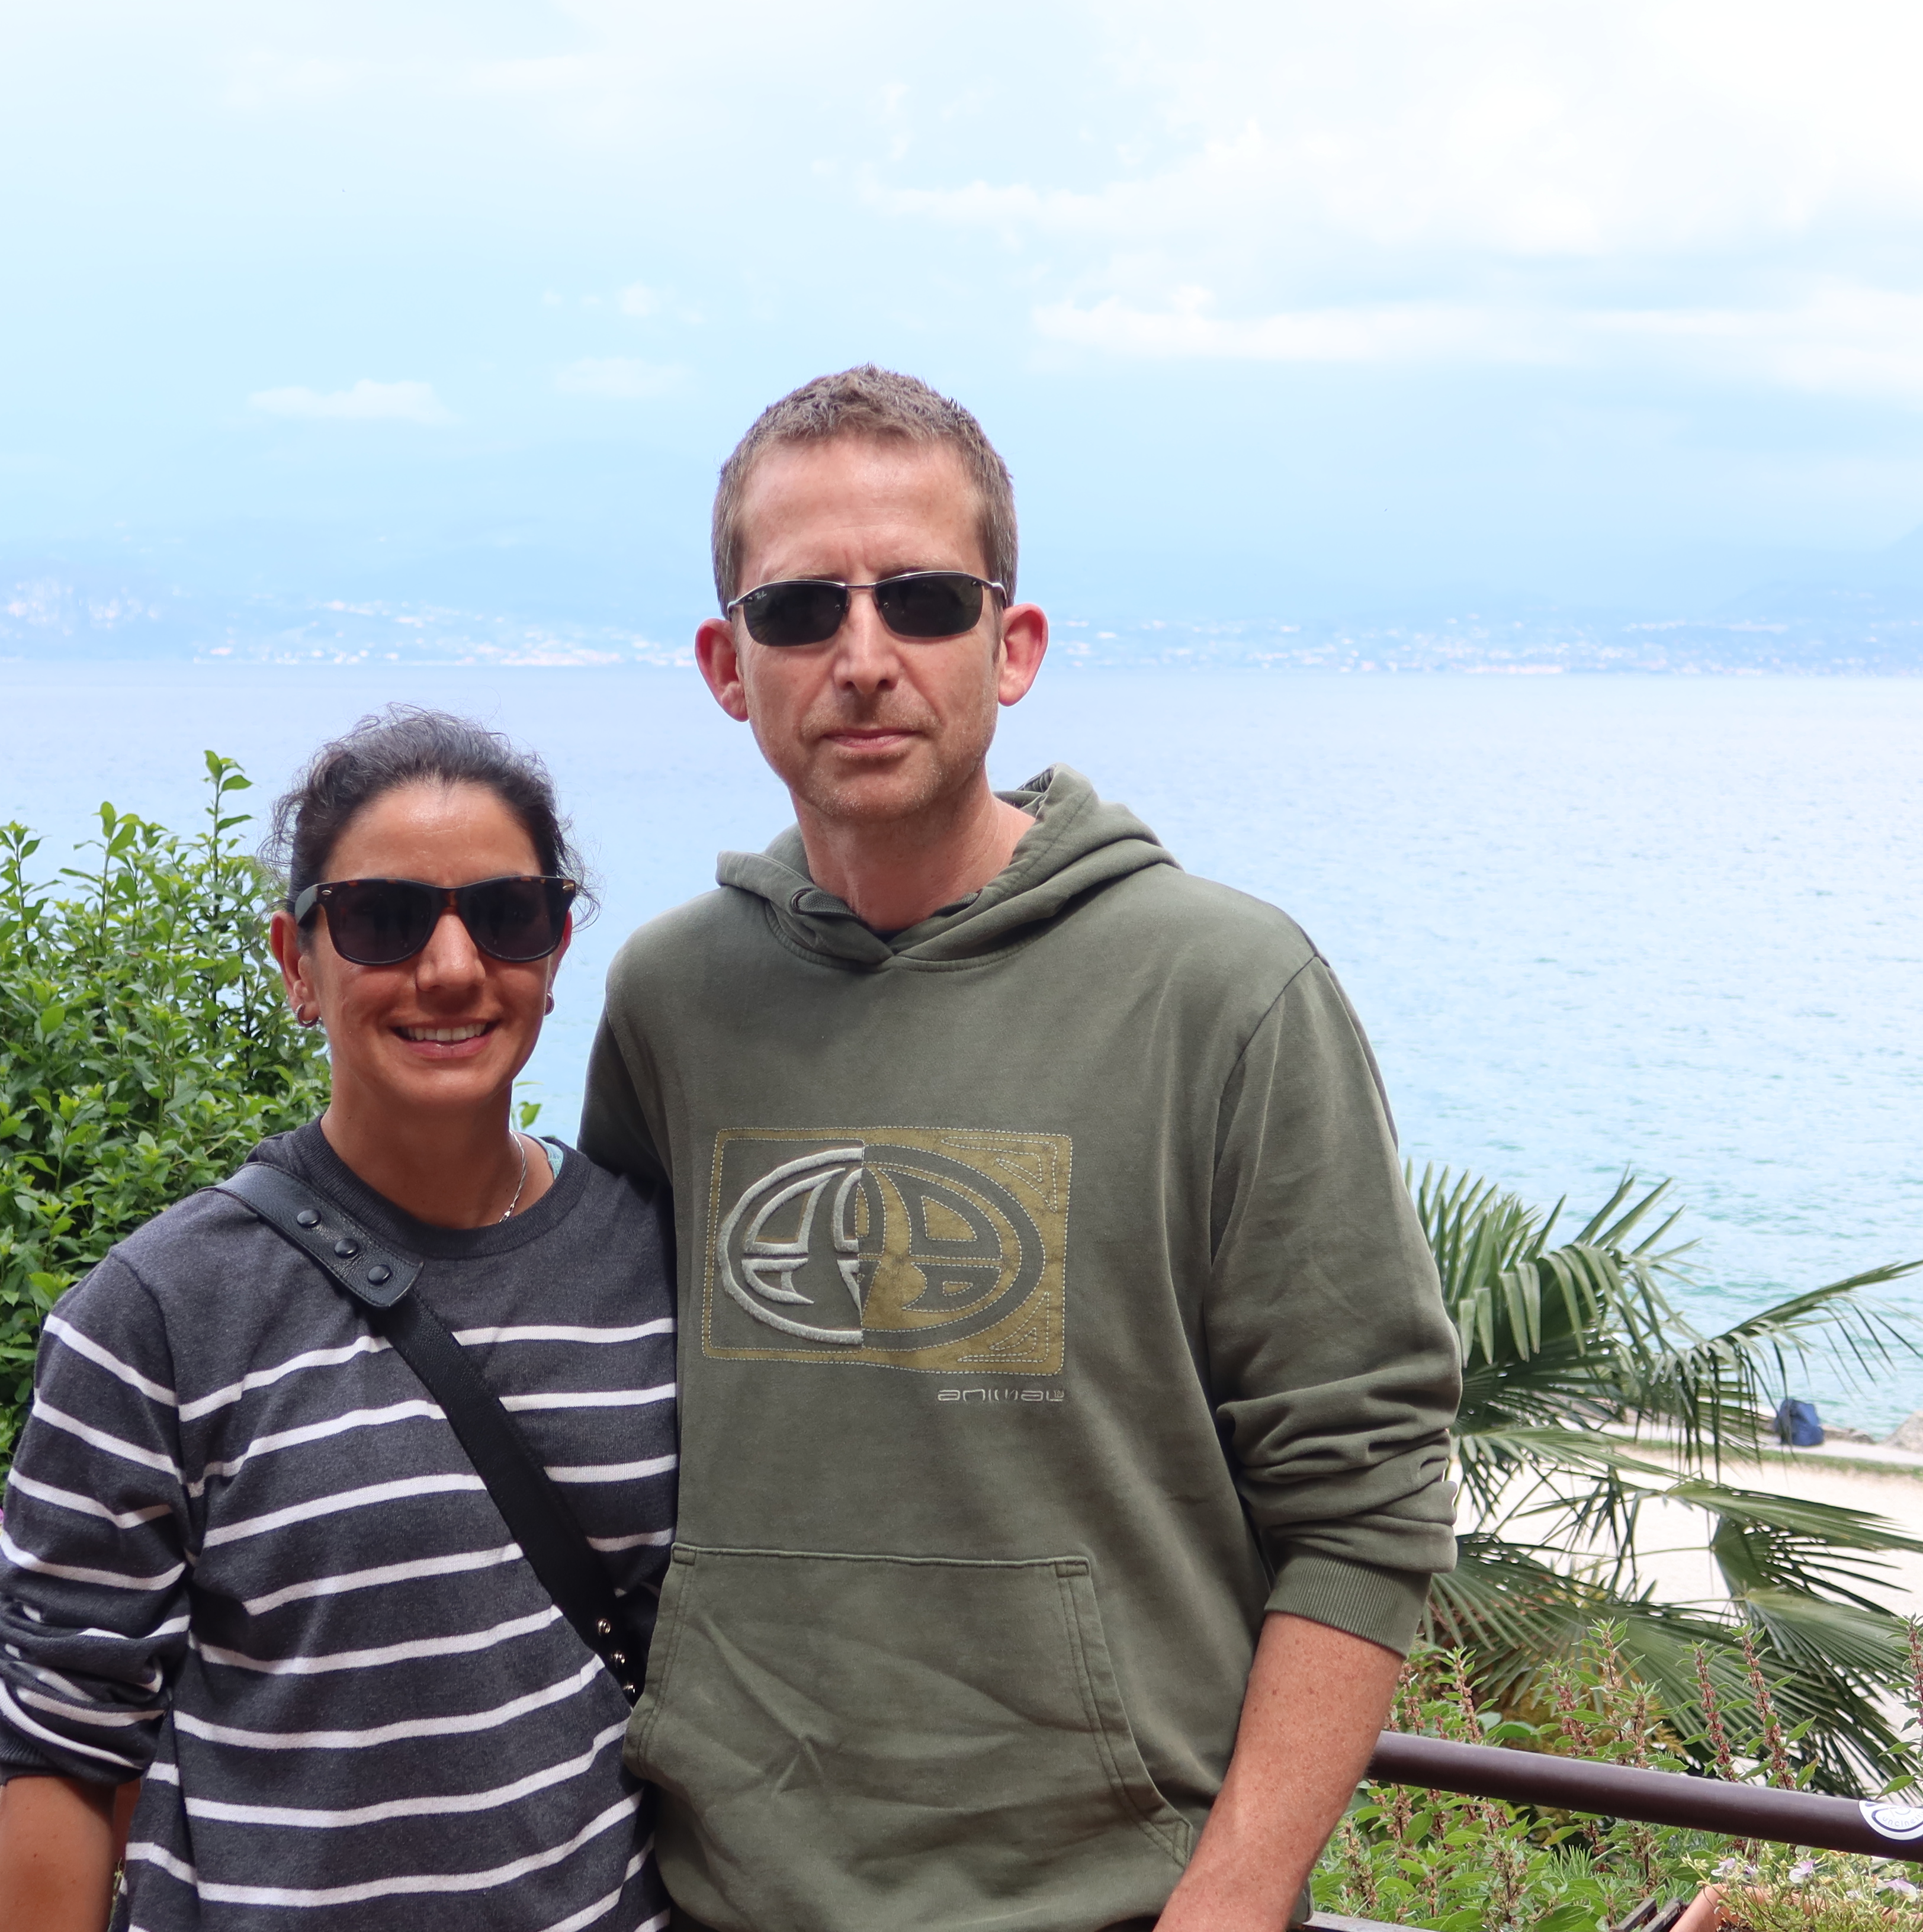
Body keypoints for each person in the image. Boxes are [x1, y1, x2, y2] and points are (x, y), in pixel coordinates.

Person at [580, 367, 1462, 1932]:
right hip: (721, 1899)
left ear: (1013, 645)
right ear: (727, 664)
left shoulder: (1226, 991)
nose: (863, 658)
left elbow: (1367, 1498)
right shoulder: (673, 1000)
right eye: (799, 611)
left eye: (922, 600)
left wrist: (1233, 1899)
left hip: (1120, 1902)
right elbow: (607, 1415)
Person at [0, 709, 676, 1932]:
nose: (450, 965)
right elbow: (62, 1747)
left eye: (505, 913)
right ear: (295, 962)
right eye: (382, 918)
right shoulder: (158, 1313)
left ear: (557, 946)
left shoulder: (648, 1259)